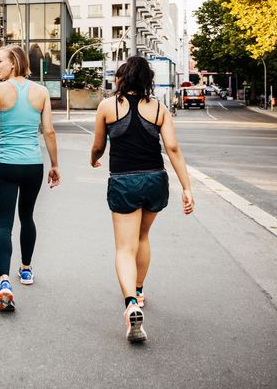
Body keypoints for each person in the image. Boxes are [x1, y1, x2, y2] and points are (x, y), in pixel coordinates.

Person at [90, 56, 195, 343]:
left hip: (124, 181)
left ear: (121, 79)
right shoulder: (160, 109)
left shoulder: (107, 106)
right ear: (148, 80)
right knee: (143, 238)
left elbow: (99, 146)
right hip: (155, 180)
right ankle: (138, 289)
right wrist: (186, 187)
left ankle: (130, 304)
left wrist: (93, 159)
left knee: (125, 248)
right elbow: (172, 148)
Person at [0, 44, 60, 312]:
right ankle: (27, 269)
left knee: (4, 224)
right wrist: (55, 165)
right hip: (33, 164)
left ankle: (4, 281)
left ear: (14, 63)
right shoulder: (41, 92)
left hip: (6, 165)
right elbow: (49, 132)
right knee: (27, 217)